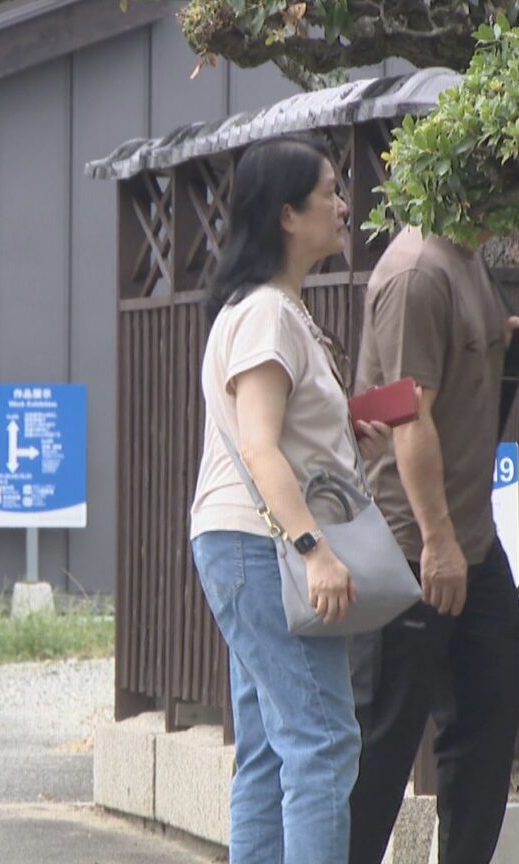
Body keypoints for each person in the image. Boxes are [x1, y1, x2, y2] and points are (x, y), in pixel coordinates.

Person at [189, 134, 393, 864]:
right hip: (264, 547)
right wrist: (315, 549)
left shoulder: (269, 309)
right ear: (285, 215)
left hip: (241, 543)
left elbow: (277, 439)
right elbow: (258, 446)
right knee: (323, 740)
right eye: (330, 194)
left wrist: (344, 433)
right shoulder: (269, 314)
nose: (345, 207)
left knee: (274, 750)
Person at [347, 225, 519, 864]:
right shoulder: (416, 272)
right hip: (410, 543)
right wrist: (436, 541)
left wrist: (513, 350)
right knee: (385, 736)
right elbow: (407, 415)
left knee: (488, 718)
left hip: (474, 541)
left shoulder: (467, 261)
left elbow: (472, 393)